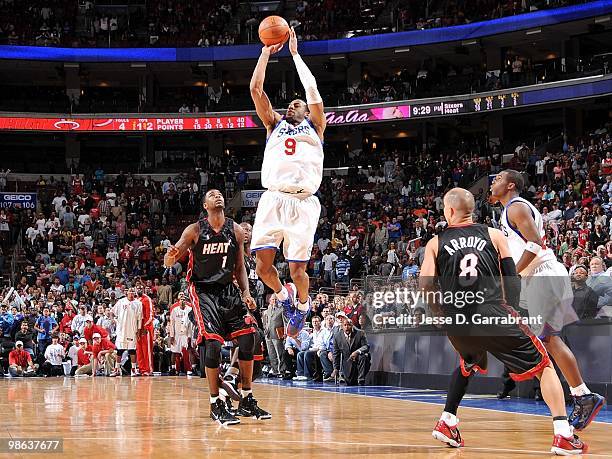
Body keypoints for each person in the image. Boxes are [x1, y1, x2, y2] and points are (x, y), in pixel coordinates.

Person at [420, 187, 586, 454]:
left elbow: (426, 284)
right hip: (492, 311)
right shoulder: (494, 235)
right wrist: (514, 310)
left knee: (469, 361)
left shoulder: (435, 243)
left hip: (457, 319)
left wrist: (440, 314)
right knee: (544, 365)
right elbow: (510, 278)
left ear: (449, 211)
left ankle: (447, 420)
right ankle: (563, 434)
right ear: (471, 210)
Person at [490, 170, 605, 430]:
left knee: (548, 340)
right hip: (538, 278)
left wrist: (513, 276)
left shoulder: (516, 207)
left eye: (497, 179)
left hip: (543, 274)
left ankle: (582, 395)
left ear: (510, 185)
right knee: (548, 341)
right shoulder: (509, 210)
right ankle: (581, 395)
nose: (492, 182)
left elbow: (535, 243)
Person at [163, 189, 269, 425]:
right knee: (212, 343)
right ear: (205, 205)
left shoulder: (236, 230)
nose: (217, 196)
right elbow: (171, 258)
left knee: (249, 337)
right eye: (212, 195)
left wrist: (246, 293)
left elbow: (240, 266)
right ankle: (215, 403)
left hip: (228, 289)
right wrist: (169, 258)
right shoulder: (195, 230)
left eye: (220, 194)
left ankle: (246, 398)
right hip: (202, 291)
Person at [250, 26, 326, 338]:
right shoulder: (274, 124)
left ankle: (304, 307)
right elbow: (256, 90)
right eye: (292, 103)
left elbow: (313, 90)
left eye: (300, 103)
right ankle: (286, 299)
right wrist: (265, 53)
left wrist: (295, 55)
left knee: (298, 270)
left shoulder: (316, 126)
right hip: (273, 198)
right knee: (262, 268)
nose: (295, 104)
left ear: (307, 111)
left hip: (303, 202)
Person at [111, 288, 143, 377]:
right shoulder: (121, 302)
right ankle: (117, 369)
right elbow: (112, 312)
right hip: (121, 330)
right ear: (126, 292)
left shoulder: (138, 303)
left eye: (133, 291)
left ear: (135, 293)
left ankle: (133, 369)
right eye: (130, 291)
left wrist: (138, 331)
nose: (131, 292)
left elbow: (139, 319)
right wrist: (113, 320)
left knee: (132, 350)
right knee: (119, 350)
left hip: (132, 330)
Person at [332, 311, 370, 386]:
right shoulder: (337, 336)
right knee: (350, 382)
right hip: (347, 361)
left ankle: (361, 380)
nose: (347, 327)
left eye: (349, 325)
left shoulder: (360, 333)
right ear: (342, 327)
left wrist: (357, 352)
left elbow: (366, 346)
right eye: (345, 325)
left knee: (364, 356)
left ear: (352, 325)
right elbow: (336, 353)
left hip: (358, 359)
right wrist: (336, 368)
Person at [168, 293, 193, 375]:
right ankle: (173, 368)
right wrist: (171, 336)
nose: (182, 300)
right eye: (181, 299)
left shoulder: (189, 310)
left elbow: (191, 324)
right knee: (174, 352)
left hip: (185, 334)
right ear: (178, 301)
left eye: (184, 299)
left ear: (186, 301)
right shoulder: (175, 310)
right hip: (176, 334)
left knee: (188, 350)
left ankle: (190, 368)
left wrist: (190, 336)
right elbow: (172, 323)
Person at [136, 284, 154, 376]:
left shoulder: (147, 299)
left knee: (146, 350)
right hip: (137, 329)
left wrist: (145, 327)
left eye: (140, 288)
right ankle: (142, 369)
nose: (139, 289)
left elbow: (150, 315)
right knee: (139, 350)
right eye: (137, 287)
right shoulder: (135, 300)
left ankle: (149, 369)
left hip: (145, 329)